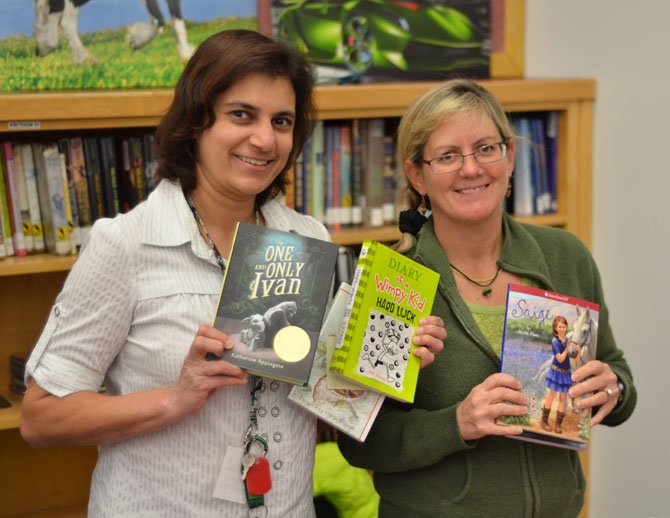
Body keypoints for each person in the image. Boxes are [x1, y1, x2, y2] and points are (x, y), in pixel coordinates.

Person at [19, 30, 445, 517]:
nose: (264, 139)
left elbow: (321, 393)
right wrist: (176, 398)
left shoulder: (308, 239)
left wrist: (383, 359)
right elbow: (39, 419)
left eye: (281, 121)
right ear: (197, 121)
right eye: (241, 115)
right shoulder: (126, 243)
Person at [338, 79, 636, 517]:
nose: (471, 168)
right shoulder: (388, 281)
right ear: (417, 174)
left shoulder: (565, 256)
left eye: (485, 148)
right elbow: (357, 442)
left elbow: (617, 374)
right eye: (447, 156)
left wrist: (614, 388)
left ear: (509, 157)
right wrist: (456, 423)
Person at [539, 315, 575, 433]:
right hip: (556, 371)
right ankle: (544, 421)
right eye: (559, 326)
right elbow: (560, 358)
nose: (562, 329)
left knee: (563, 398)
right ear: (555, 328)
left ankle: (558, 424)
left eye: (564, 326)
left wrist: (576, 350)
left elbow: (574, 355)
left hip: (565, 372)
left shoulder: (568, 340)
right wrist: (567, 348)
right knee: (551, 395)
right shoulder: (555, 341)